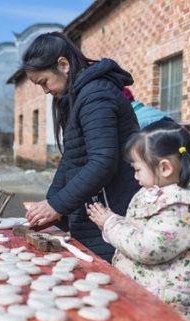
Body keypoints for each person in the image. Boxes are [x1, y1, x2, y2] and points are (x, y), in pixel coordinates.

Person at [22, 32, 140, 262]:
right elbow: (72, 158)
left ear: (63, 65)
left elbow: (102, 161)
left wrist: (57, 205)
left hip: (112, 208)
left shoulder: (95, 95)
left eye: (44, 82)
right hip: (93, 207)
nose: (45, 91)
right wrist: (52, 204)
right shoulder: (77, 96)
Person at [87, 119, 190, 321]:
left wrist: (110, 224)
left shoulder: (184, 208)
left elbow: (147, 248)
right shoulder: (158, 192)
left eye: (137, 169)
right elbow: (142, 229)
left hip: (167, 308)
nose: (135, 175)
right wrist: (112, 221)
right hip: (146, 296)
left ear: (164, 168)